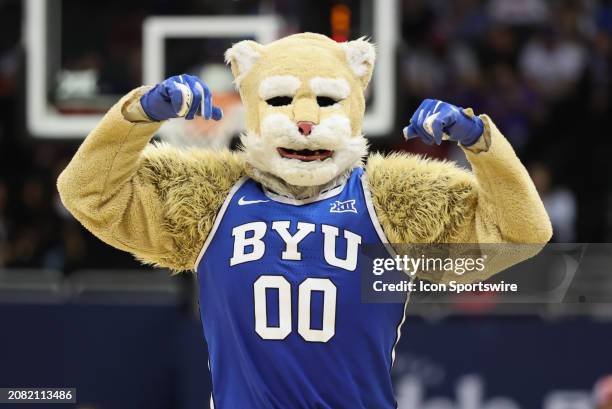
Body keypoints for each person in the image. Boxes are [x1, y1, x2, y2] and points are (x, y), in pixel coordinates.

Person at [57, 33, 551, 408]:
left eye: (327, 101)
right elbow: (88, 192)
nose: (305, 121)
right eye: (278, 100)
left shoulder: (393, 205)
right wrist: (135, 115)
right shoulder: (208, 202)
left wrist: (481, 143)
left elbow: (521, 234)